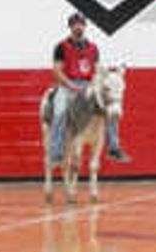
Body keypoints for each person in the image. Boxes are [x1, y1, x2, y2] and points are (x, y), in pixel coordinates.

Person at [52, 11, 122, 158]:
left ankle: (113, 147)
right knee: (59, 111)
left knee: (111, 108)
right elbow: (57, 71)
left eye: (81, 24)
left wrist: (107, 73)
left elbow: (96, 70)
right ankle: (56, 151)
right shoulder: (61, 47)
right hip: (68, 85)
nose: (78, 27)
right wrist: (71, 85)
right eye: (75, 24)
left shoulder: (93, 48)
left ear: (85, 26)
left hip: (88, 85)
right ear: (70, 27)